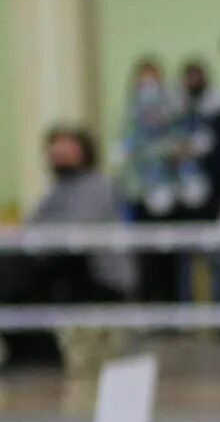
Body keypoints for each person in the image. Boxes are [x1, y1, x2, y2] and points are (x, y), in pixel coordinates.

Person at [0, 127, 136, 371]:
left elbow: (73, 234)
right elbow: (32, 227)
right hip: (61, 267)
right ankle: (27, 350)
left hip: (99, 276)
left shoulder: (98, 186)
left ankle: (39, 354)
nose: (59, 156)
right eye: (55, 151)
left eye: (66, 150)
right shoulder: (57, 191)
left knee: (20, 273)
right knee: (13, 269)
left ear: (84, 152)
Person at [118, 58, 209, 303]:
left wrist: (183, 152)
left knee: (175, 257)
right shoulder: (130, 114)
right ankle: (149, 305)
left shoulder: (174, 109)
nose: (149, 85)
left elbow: (189, 138)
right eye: (144, 79)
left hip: (173, 196)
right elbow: (129, 150)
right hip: (143, 196)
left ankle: (175, 307)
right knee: (148, 258)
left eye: (153, 78)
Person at [180, 59, 220, 218]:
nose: (193, 81)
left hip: (217, 185)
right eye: (190, 77)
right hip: (186, 184)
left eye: (196, 76)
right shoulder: (179, 112)